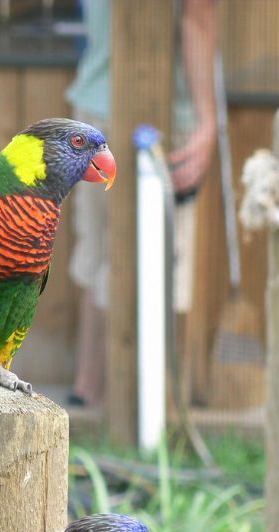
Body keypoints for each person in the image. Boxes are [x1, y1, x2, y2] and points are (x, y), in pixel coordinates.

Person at [66, 0, 218, 406]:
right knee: (166, 262)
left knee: (100, 255)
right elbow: (198, 13)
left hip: (94, 106)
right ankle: (156, 411)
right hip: (164, 112)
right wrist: (208, 121)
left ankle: (88, 394)